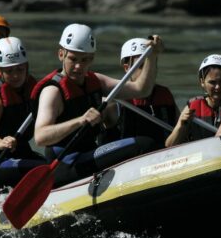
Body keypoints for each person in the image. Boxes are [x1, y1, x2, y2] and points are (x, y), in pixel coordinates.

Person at [32, 23, 163, 187]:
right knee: (144, 144)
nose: (79, 66)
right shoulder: (52, 91)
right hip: (65, 164)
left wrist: (152, 56)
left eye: (85, 60)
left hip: (88, 154)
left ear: (92, 59)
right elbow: (40, 137)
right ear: (61, 54)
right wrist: (80, 120)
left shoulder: (95, 81)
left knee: (146, 142)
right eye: (73, 59)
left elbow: (141, 90)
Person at [0, 37, 47, 192]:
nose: (15, 76)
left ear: (26, 66)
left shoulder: (32, 89)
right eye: (9, 71)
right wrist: (1, 143)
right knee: (43, 169)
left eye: (20, 69)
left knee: (52, 166)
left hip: (20, 153)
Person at [106, 37, 178, 150]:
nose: (147, 71)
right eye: (141, 66)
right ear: (127, 68)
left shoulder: (164, 94)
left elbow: (179, 127)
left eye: (151, 64)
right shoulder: (115, 98)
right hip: (127, 158)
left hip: (164, 155)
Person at [166, 53, 221, 146]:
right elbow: (169, 145)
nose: (218, 87)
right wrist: (182, 125)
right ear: (202, 82)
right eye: (212, 82)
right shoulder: (192, 108)